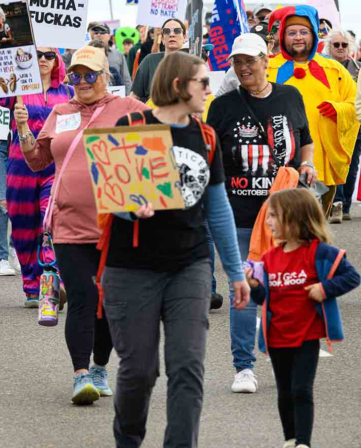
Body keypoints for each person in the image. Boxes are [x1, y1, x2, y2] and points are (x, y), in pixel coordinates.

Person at [102, 52, 250, 448]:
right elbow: (115, 198)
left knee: (187, 368)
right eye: (202, 82)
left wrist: (235, 273)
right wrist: (131, 209)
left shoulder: (206, 136)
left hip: (190, 265)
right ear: (177, 86)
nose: (208, 88)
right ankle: (128, 441)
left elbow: (218, 209)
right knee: (139, 371)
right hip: (132, 267)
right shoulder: (132, 126)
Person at [20, 46, 147, 403]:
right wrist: (22, 129)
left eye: (90, 75)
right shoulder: (61, 112)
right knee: (82, 296)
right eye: (75, 75)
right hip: (68, 224)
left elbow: (162, 136)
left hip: (116, 225)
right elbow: (37, 161)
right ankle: (79, 375)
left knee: (107, 302)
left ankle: (100, 367)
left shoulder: (129, 108)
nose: (82, 82)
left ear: (107, 76)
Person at [207, 33, 315, 395]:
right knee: (245, 290)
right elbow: (211, 157)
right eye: (238, 62)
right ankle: (243, 367)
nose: (244, 67)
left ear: (266, 60)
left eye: (250, 60)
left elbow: (305, 138)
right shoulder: (221, 106)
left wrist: (308, 164)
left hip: (283, 214)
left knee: (287, 290)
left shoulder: (290, 96)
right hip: (238, 214)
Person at [246, 189, 359, 448]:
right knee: (284, 393)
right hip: (276, 336)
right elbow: (264, 299)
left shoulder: (319, 252)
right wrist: (253, 285)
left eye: (274, 216)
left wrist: (325, 289)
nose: (268, 222)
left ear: (295, 218)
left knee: (301, 390)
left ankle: (303, 443)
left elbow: (352, 276)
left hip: (307, 336)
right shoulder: (268, 257)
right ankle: (290, 439)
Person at [0, 47, 73, 306]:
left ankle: (52, 281)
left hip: (54, 167)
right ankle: (32, 288)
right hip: (21, 165)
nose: (44, 60)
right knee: (25, 230)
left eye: (49, 55)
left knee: (51, 222)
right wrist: (14, 64)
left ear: (57, 59)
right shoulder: (19, 89)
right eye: (38, 55)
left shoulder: (68, 93)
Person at [266, 6, 360, 217]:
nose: (298, 37)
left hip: (320, 164)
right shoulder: (267, 67)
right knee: (280, 225)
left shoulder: (334, 69)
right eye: (292, 33)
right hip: (278, 164)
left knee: (314, 227)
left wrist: (338, 109)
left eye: (303, 32)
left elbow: (356, 104)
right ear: (283, 36)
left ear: (313, 35)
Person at [323, 30, 361, 222]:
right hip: (329, 120)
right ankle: (335, 204)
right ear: (329, 46)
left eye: (343, 45)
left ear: (350, 47)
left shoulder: (358, 69)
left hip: (354, 124)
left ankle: (345, 204)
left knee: (351, 165)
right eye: (336, 44)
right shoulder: (322, 68)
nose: (339, 48)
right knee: (332, 162)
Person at [130, 19, 186, 102]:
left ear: (184, 37)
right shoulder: (149, 61)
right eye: (166, 31)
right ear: (162, 39)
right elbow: (135, 96)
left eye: (177, 31)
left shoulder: (193, 63)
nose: (171, 34)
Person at [88, 22, 132, 91]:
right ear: (92, 36)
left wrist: (127, 97)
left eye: (102, 32)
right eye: (96, 32)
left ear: (109, 36)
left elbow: (126, 80)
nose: (99, 34)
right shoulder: (85, 54)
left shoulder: (118, 54)